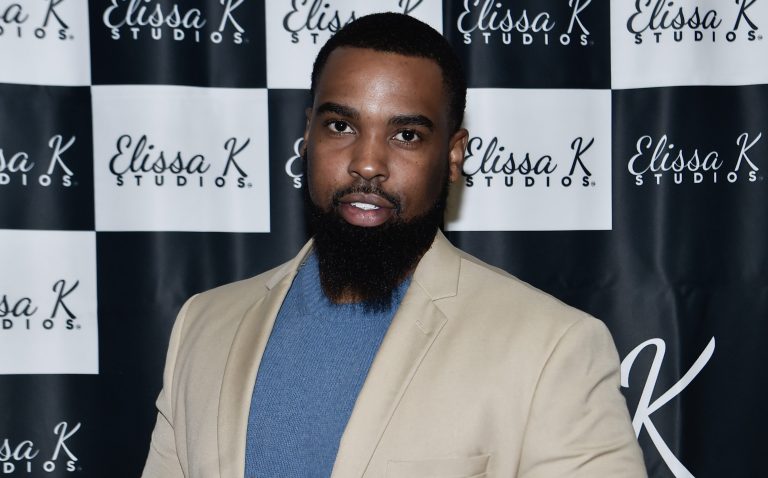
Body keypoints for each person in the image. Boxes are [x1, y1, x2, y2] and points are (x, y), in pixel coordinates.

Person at [142, 12, 647, 478]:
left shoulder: (552, 347)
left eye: (406, 135)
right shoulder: (204, 324)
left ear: (453, 155)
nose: (367, 163)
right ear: (308, 135)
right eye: (341, 126)